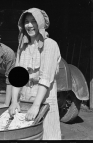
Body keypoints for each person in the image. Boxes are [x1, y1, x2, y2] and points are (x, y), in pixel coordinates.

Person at [8, 8, 62, 140]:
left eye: (34, 21)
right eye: (26, 21)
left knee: (47, 135)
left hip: (44, 101)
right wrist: (14, 101)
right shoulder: (22, 46)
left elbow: (45, 78)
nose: (30, 25)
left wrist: (36, 106)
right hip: (25, 100)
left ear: (41, 23)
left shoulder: (50, 45)